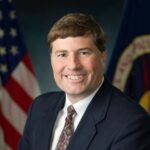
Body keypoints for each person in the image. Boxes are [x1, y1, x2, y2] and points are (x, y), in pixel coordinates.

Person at [19, 13, 150, 150]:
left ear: (102, 57)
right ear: (51, 59)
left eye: (83, 53)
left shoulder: (131, 123)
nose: (73, 65)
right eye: (62, 54)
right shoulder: (40, 108)